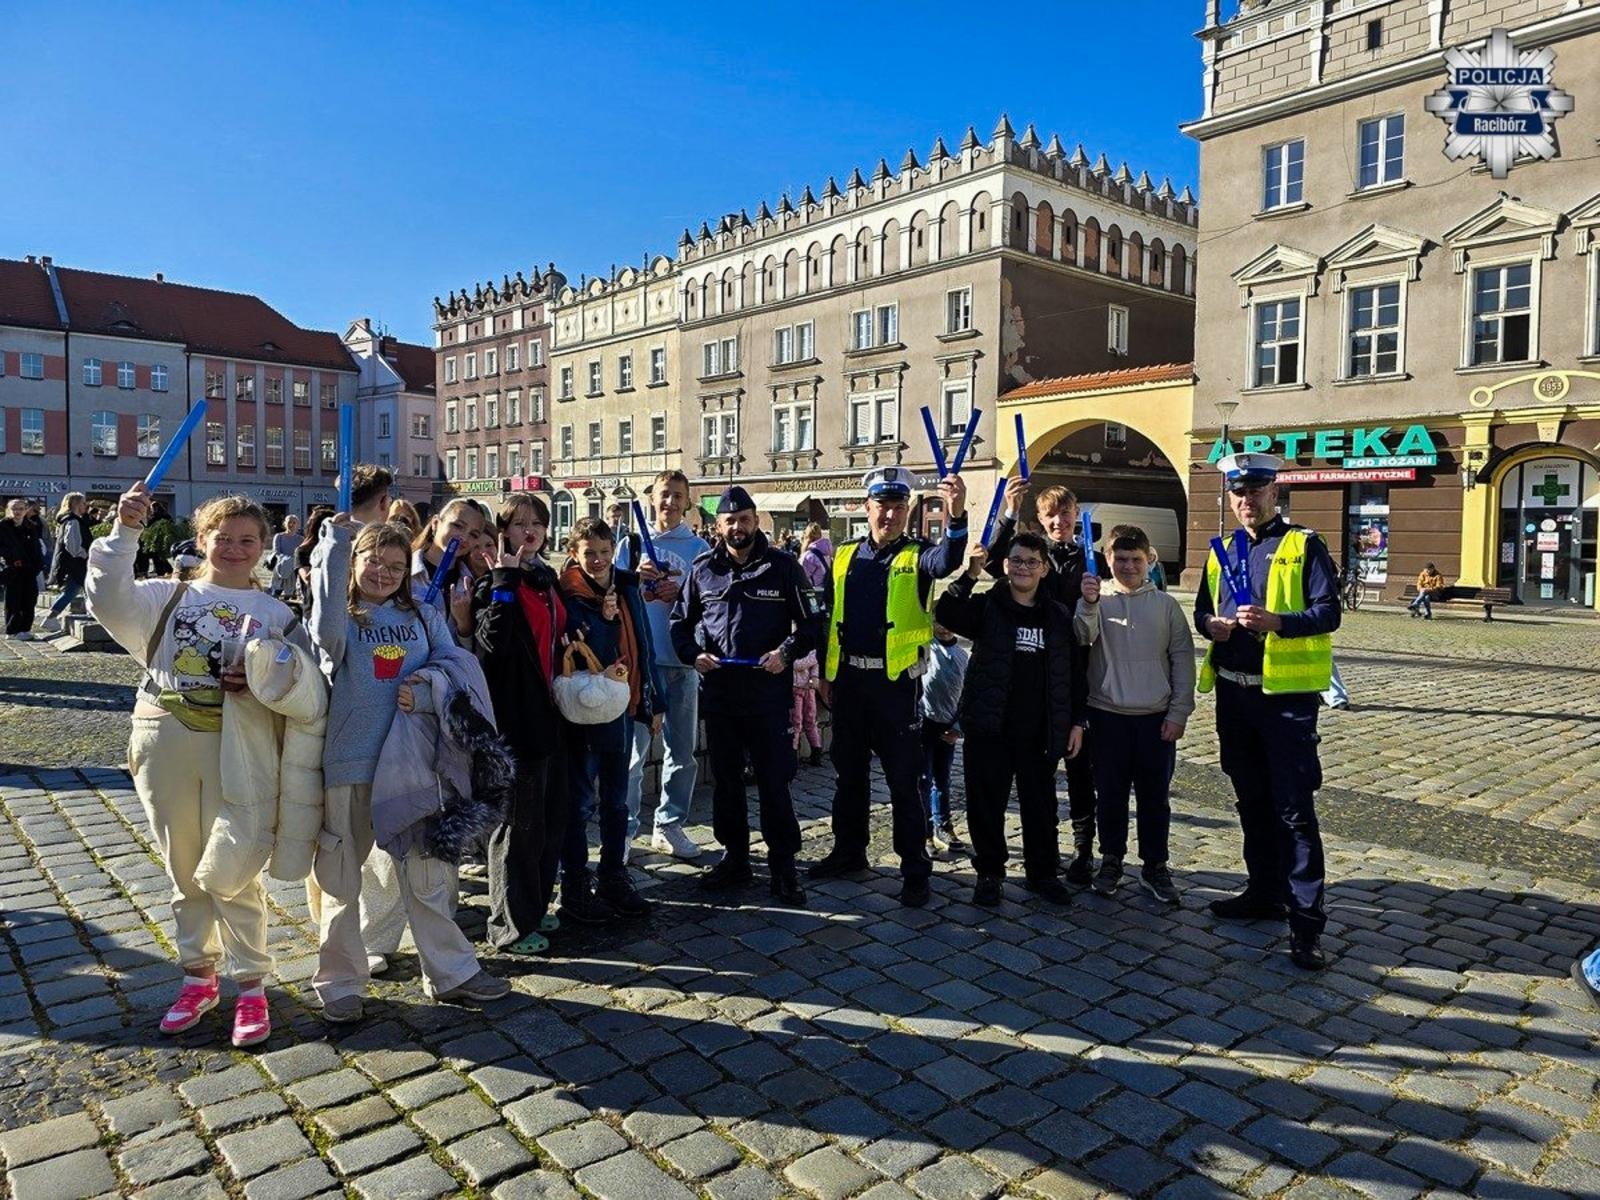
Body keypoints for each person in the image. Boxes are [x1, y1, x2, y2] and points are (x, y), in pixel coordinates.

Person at [88, 485, 311, 1047]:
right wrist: (125, 532)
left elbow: (304, 685)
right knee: (183, 866)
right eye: (223, 537)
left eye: (247, 540)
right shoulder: (165, 597)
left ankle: (253, 984)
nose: (234, 548)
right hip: (166, 736)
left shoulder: (278, 613)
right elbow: (106, 598)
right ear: (202, 539)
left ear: (263, 546)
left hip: (240, 747)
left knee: (233, 866)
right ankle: (198, 976)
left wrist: (262, 685)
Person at [309, 519, 509, 1022]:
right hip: (350, 763)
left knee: (429, 873)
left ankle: (451, 971)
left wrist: (426, 692)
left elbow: (458, 664)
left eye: (396, 566)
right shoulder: (343, 618)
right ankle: (339, 980)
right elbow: (325, 636)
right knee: (341, 876)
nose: (384, 572)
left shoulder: (422, 614)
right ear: (355, 563)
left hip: (415, 765)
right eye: (373, 560)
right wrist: (334, 546)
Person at [1195, 452, 1341, 971]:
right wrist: (1209, 625)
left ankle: (1305, 927)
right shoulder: (1221, 550)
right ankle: (1262, 893)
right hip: (1235, 697)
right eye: (1237, 493)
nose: (1246, 501)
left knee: (1294, 812)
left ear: (1273, 493)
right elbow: (1201, 610)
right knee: (1250, 802)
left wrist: (1279, 621)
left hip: (1285, 702)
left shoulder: (1304, 545)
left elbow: (1329, 613)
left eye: (1255, 491)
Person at [811, 466, 967, 907]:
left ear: (908, 512)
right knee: (849, 775)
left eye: (899, 507)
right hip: (851, 684)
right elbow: (828, 618)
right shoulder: (843, 555)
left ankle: (914, 869)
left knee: (905, 782)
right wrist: (826, 672)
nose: (891, 515)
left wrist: (956, 516)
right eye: (883, 506)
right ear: (867, 508)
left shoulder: (918, 555)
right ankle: (849, 851)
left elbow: (949, 561)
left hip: (896, 686)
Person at [671, 485, 819, 906]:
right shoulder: (703, 570)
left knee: (775, 781)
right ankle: (734, 858)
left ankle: (784, 867)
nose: (738, 527)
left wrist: (786, 653)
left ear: (756, 520)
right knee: (727, 784)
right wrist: (693, 655)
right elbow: (681, 625)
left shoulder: (784, 566)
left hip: (768, 695)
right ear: (718, 526)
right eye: (730, 521)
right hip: (720, 695)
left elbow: (812, 626)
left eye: (745, 519)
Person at [936, 533, 1078, 908]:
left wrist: (1076, 721)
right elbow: (946, 613)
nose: (1024, 568)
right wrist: (969, 574)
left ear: (1044, 569)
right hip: (990, 724)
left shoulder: (1058, 615)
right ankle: (989, 873)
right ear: (1005, 566)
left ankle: (1043, 872)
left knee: (1041, 805)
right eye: (1017, 561)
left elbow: (1074, 672)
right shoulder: (987, 607)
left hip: (1040, 729)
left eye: (1032, 562)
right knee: (985, 803)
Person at [986, 480, 1103, 885]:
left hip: (1081, 668)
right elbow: (992, 562)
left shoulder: (1092, 559)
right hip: (1038, 670)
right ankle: (1046, 855)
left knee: (1081, 767)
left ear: (1076, 516)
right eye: (1051, 515)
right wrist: (1006, 510)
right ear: (1041, 519)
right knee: (1042, 773)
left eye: (1065, 513)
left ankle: (1085, 850)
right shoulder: (1032, 555)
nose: (1059, 521)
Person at [1075, 525, 1194, 905]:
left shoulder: (1166, 606)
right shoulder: (1098, 598)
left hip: (1155, 716)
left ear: (1148, 561)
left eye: (1135, 560)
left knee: (1154, 797)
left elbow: (1182, 660)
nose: (1128, 566)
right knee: (1109, 794)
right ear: (1107, 560)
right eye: (1120, 559)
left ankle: (1155, 866)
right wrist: (1088, 603)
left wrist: (1178, 712)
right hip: (1107, 714)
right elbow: (1081, 637)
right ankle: (1111, 859)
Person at [472, 495, 568, 954]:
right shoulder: (493, 582)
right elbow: (493, 645)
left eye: (537, 523)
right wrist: (503, 580)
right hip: (515, 719)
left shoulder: (545, 578)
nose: (529, 530)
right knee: (514, 827)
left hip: (550, 714)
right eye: (518, 523)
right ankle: (508, 925)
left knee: (546, 822)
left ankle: (533, 908)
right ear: (503, 530)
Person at [557, 518, 664, 923]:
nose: (598, 560)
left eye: (604, 552)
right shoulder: (567, 593)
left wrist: (655, 700)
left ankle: (613, 876)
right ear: (574, 554)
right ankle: (575, 886)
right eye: (590, 553)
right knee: (581, 802)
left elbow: (645, 647)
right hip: (585, 713)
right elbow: (582, 652)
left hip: (622, 708)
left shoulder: (626, 585)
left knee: (618, 802)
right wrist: (604, 620)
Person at [615, 471, 710, 859]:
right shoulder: (632, 543)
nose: (669, 502)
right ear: (652, 499)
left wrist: (683, 594)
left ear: (687, 502)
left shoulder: (699, 547)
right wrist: (631, 580)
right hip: (640, 662)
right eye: (663, 495)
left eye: (676, 496)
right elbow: (609, 592)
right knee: (634, 756)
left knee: (682, 751)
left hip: (682, 663)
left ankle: (669, 825)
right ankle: (623, 830)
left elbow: (711, 605)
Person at [412, 498, 493, 642]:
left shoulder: (472, 584)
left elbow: (474, 649)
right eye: (458, 526)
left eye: (473, 535)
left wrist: (464, 623)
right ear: (436, 523)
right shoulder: (404, 572)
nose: (463, 537)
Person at [919, 624, 968, 854]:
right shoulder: (926, 649)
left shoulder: (961, 656)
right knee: (923, 779)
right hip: (924, 723)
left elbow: (968, 695)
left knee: (942, 779)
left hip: (949, 725)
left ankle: (943, 823)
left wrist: (958, 728)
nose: (946, 628)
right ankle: (924, 830)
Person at [41, 493, 92, 633]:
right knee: (86, 588)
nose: (85, 506)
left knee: (73, 591)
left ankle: (51, 618)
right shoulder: (73, 521)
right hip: (76, 563)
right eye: (83, 503)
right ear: (76, 504)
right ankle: (91, 613)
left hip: (73, 563)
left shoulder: (69, 520)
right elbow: (72, 545)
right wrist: (85, 554)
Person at [1, 498, 46, 639]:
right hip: (13, 569)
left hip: (30, 569)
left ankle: (25, 629)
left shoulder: (31, 526)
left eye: (20, 508)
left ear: (26, 510)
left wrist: (38, 565)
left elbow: (37, 547)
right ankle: (12, 629)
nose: (17, 512)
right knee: (13, 600)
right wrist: (12, 557)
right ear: (9, 510)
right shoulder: (3, 526)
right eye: (14, 509)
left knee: (29, 600)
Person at [791, 650, 823, 767]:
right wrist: (811, 661)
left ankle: (816, 753)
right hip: (795, 689)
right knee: (796, 722)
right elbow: (796, 665)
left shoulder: (810, 647)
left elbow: (813, 663)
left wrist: (814, 676)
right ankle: (792, 755)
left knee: (811, 721)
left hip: (808, 689)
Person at [269, 514, 301, 600]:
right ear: (285, 524)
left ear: (298, 525)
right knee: (276, 593)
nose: (291, 524)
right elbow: (276, 551)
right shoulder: (279, 536)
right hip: (280, 567)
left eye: (294, 522)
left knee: (291, 595)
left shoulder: (301, 539)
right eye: (289, 522)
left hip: (294, 569)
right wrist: (287, 560)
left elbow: (301, 553)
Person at [799, 523, 833, 592]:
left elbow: (801, 576)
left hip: (813, 592)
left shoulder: (809, 556)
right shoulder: (828, 551)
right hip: (826, 590)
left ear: (807, 537)